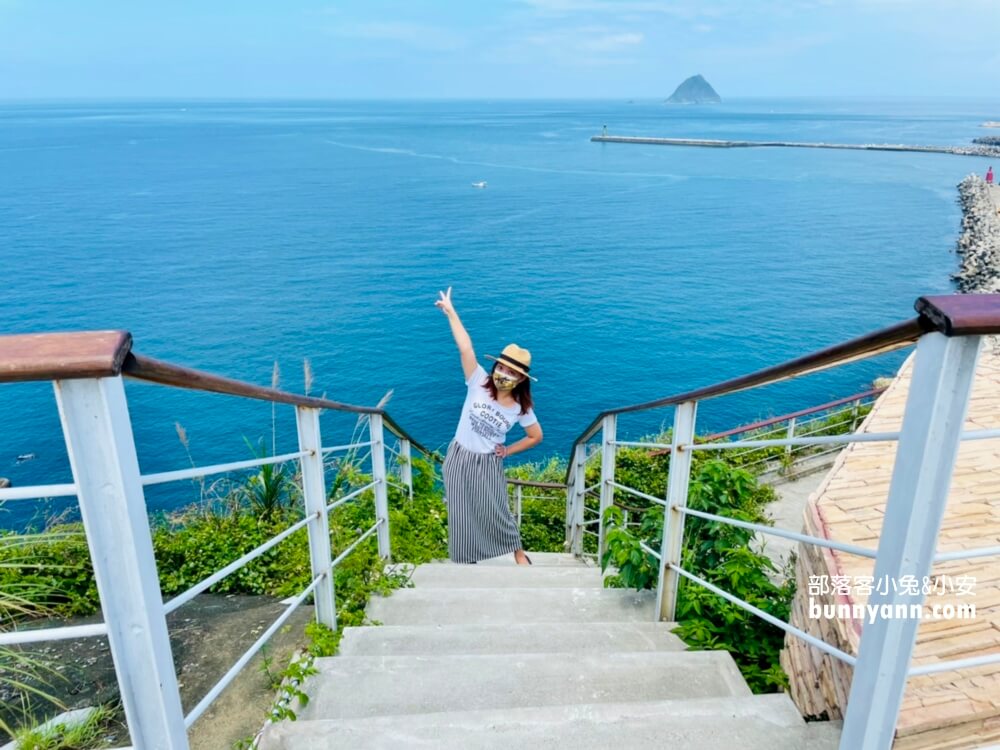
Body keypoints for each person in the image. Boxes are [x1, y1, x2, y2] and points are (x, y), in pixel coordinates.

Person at [435, 287, 543, 565]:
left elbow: (535, 436)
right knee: (460, 511)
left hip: (487, 463)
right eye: (502, 368)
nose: (503, 374)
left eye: (512, 373)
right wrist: (451, 312)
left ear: (521, 379)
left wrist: (508, 451)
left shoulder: (521, 407)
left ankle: (518, 553)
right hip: (459, 456)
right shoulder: (477, 381)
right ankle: (466, 559)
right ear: (495, 366)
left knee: (496, 510)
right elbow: (466, 347)